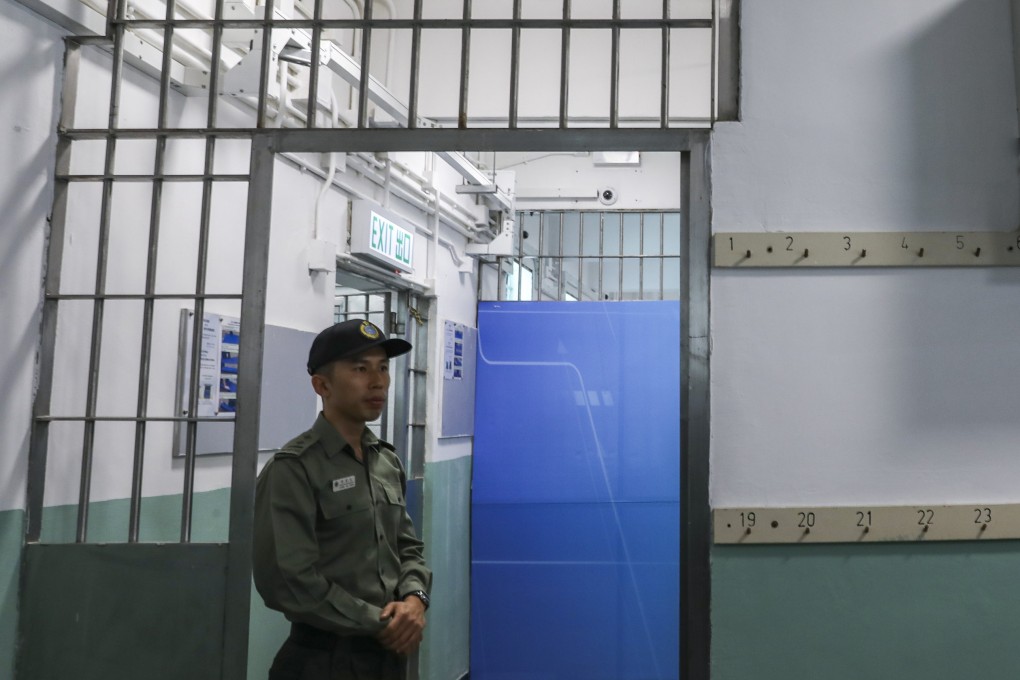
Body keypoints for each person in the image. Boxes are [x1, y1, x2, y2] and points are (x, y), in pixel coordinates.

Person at [253, 318, 432, 680]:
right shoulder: (295, 468)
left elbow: (408, 547)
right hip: (323, 661)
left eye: (383, 367)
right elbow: (289, 582)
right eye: (360, 369)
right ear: (322, 385)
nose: (378, 381)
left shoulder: (386, 460)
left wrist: (415, 599)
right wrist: (380, 621)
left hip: (386, 658)